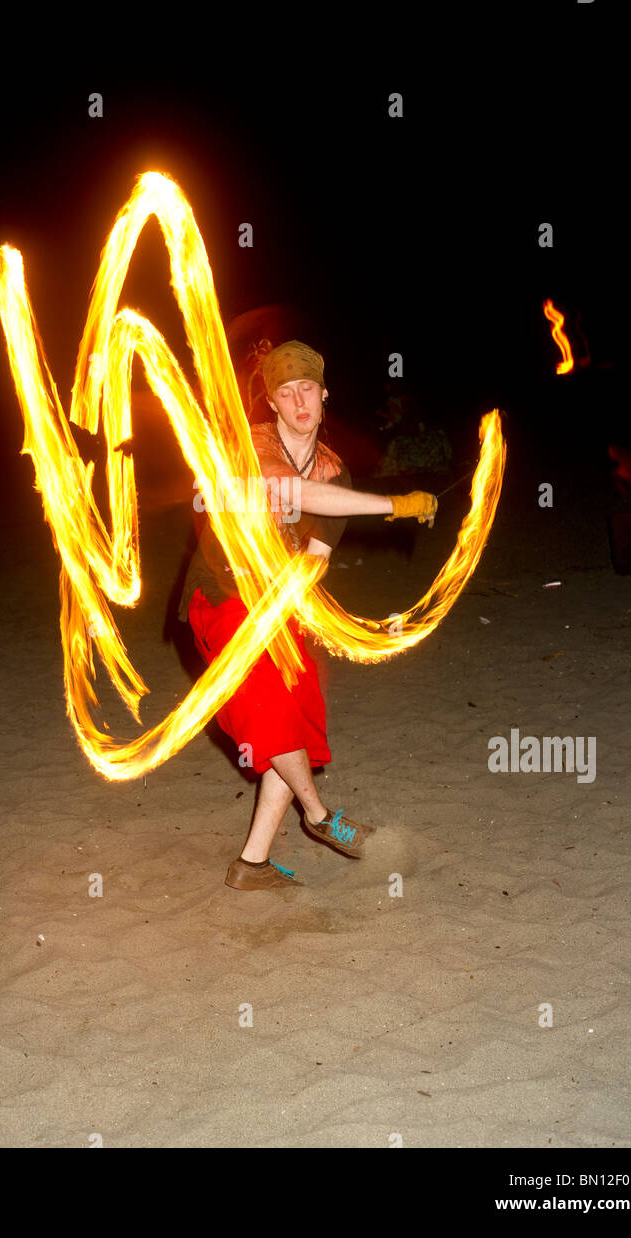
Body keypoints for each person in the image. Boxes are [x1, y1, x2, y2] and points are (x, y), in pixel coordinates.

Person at [177, 340, 437, 890]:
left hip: (276, 602)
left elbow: (315, 559)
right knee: (271, 710)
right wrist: (395, 505)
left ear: (324, 396)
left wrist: (287, 607)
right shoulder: (253, 446)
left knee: (293, 720)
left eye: (307, 389)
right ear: (272, 403)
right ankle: (320, 818)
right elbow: (287, 488)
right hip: (222, 595)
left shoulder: (335, 473)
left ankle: (252, 863)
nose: (298, 400)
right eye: (285, 391)